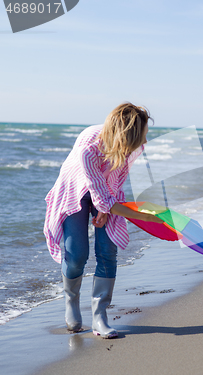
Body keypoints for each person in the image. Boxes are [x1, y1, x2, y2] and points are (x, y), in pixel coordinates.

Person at [44, 103, 164, 338]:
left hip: (104, 190)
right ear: (128, 134)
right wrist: (144, 216)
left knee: (107, 250)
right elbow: (98, 192)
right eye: (143, 136)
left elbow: (115, 182)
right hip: (75, 188)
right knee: (77, 253)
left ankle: (100, 316)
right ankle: (71, 301)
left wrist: (106, 209)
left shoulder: (128, 148)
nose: (145, 142)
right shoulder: (89, 150)